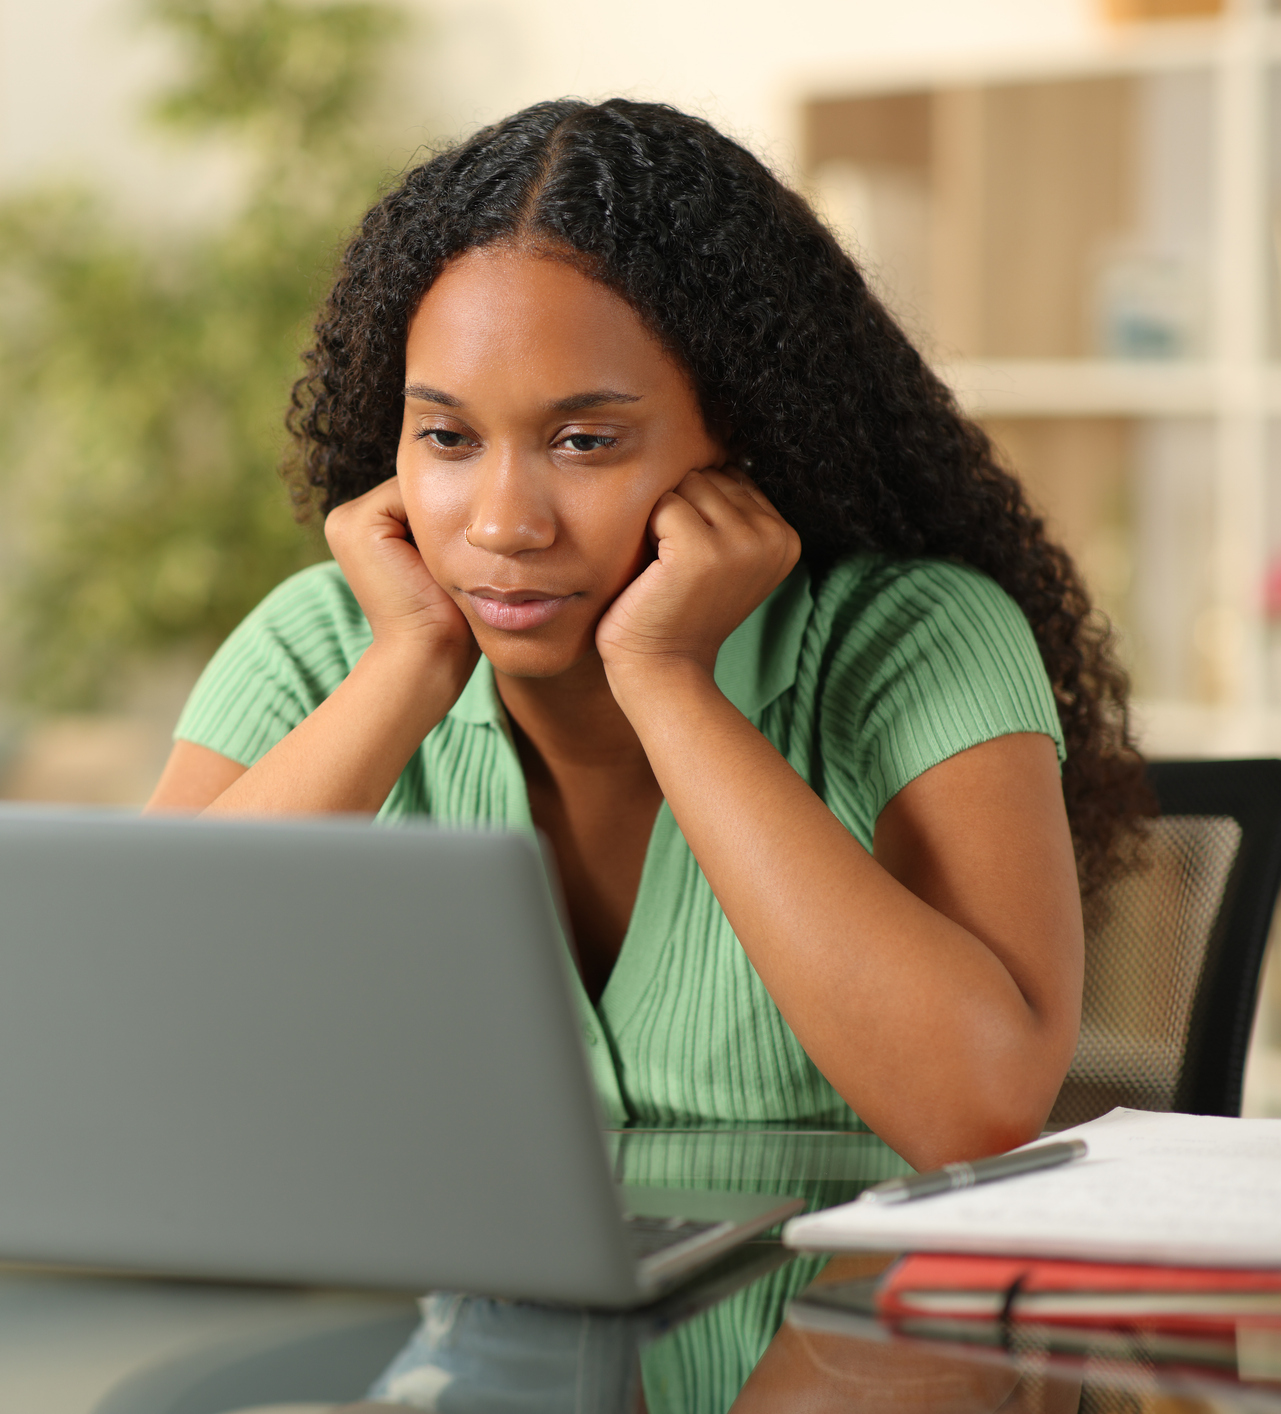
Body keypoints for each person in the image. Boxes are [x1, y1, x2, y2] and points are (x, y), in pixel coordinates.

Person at [145, 98, 1149, 1173]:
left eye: (585, 440)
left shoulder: (917, 640)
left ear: (746, 434)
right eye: (447, 436)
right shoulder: (315, 648)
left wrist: (668, 681)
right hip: (421, 1336)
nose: (501, 523)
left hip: (827, 1334)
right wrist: (407, 667)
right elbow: (113, 1032)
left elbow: (977, 1114)